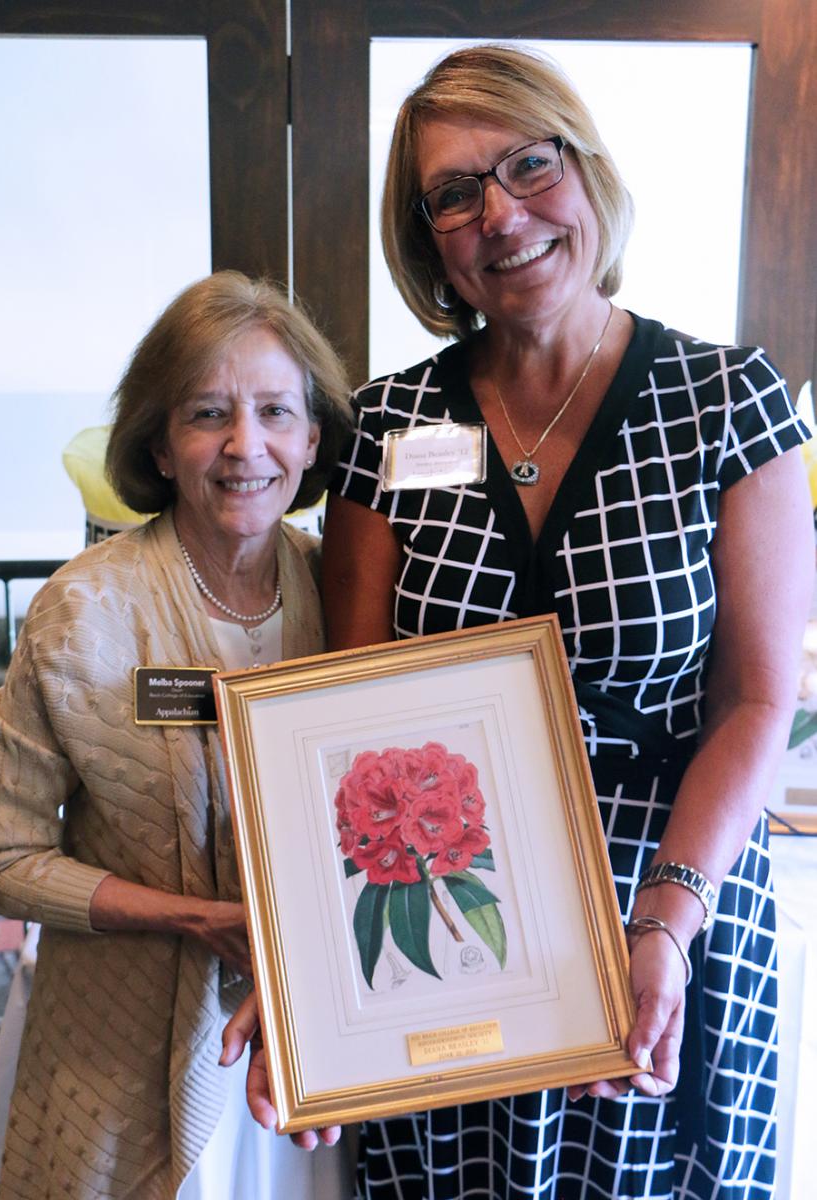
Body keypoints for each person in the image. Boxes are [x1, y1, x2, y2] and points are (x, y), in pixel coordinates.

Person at [318, 43, 814, 1200]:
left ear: (585, 175)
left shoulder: (727, 401)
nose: (500, 214)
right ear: (426, 238)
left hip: (668, 906)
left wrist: (664, 922)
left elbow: (756, 697)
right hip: (450, 921)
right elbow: (345, 709)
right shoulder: (385, 425)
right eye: (452, 193)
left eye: (526, 166)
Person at [0, 271, 354, 1199]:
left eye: (275, 413)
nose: (244, 446)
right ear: (162, 446)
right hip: (114, 1046)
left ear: (312, 439)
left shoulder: (350, 595)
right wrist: (197, 919)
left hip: (306, 1045)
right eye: (207, 413)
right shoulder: (83, 608)